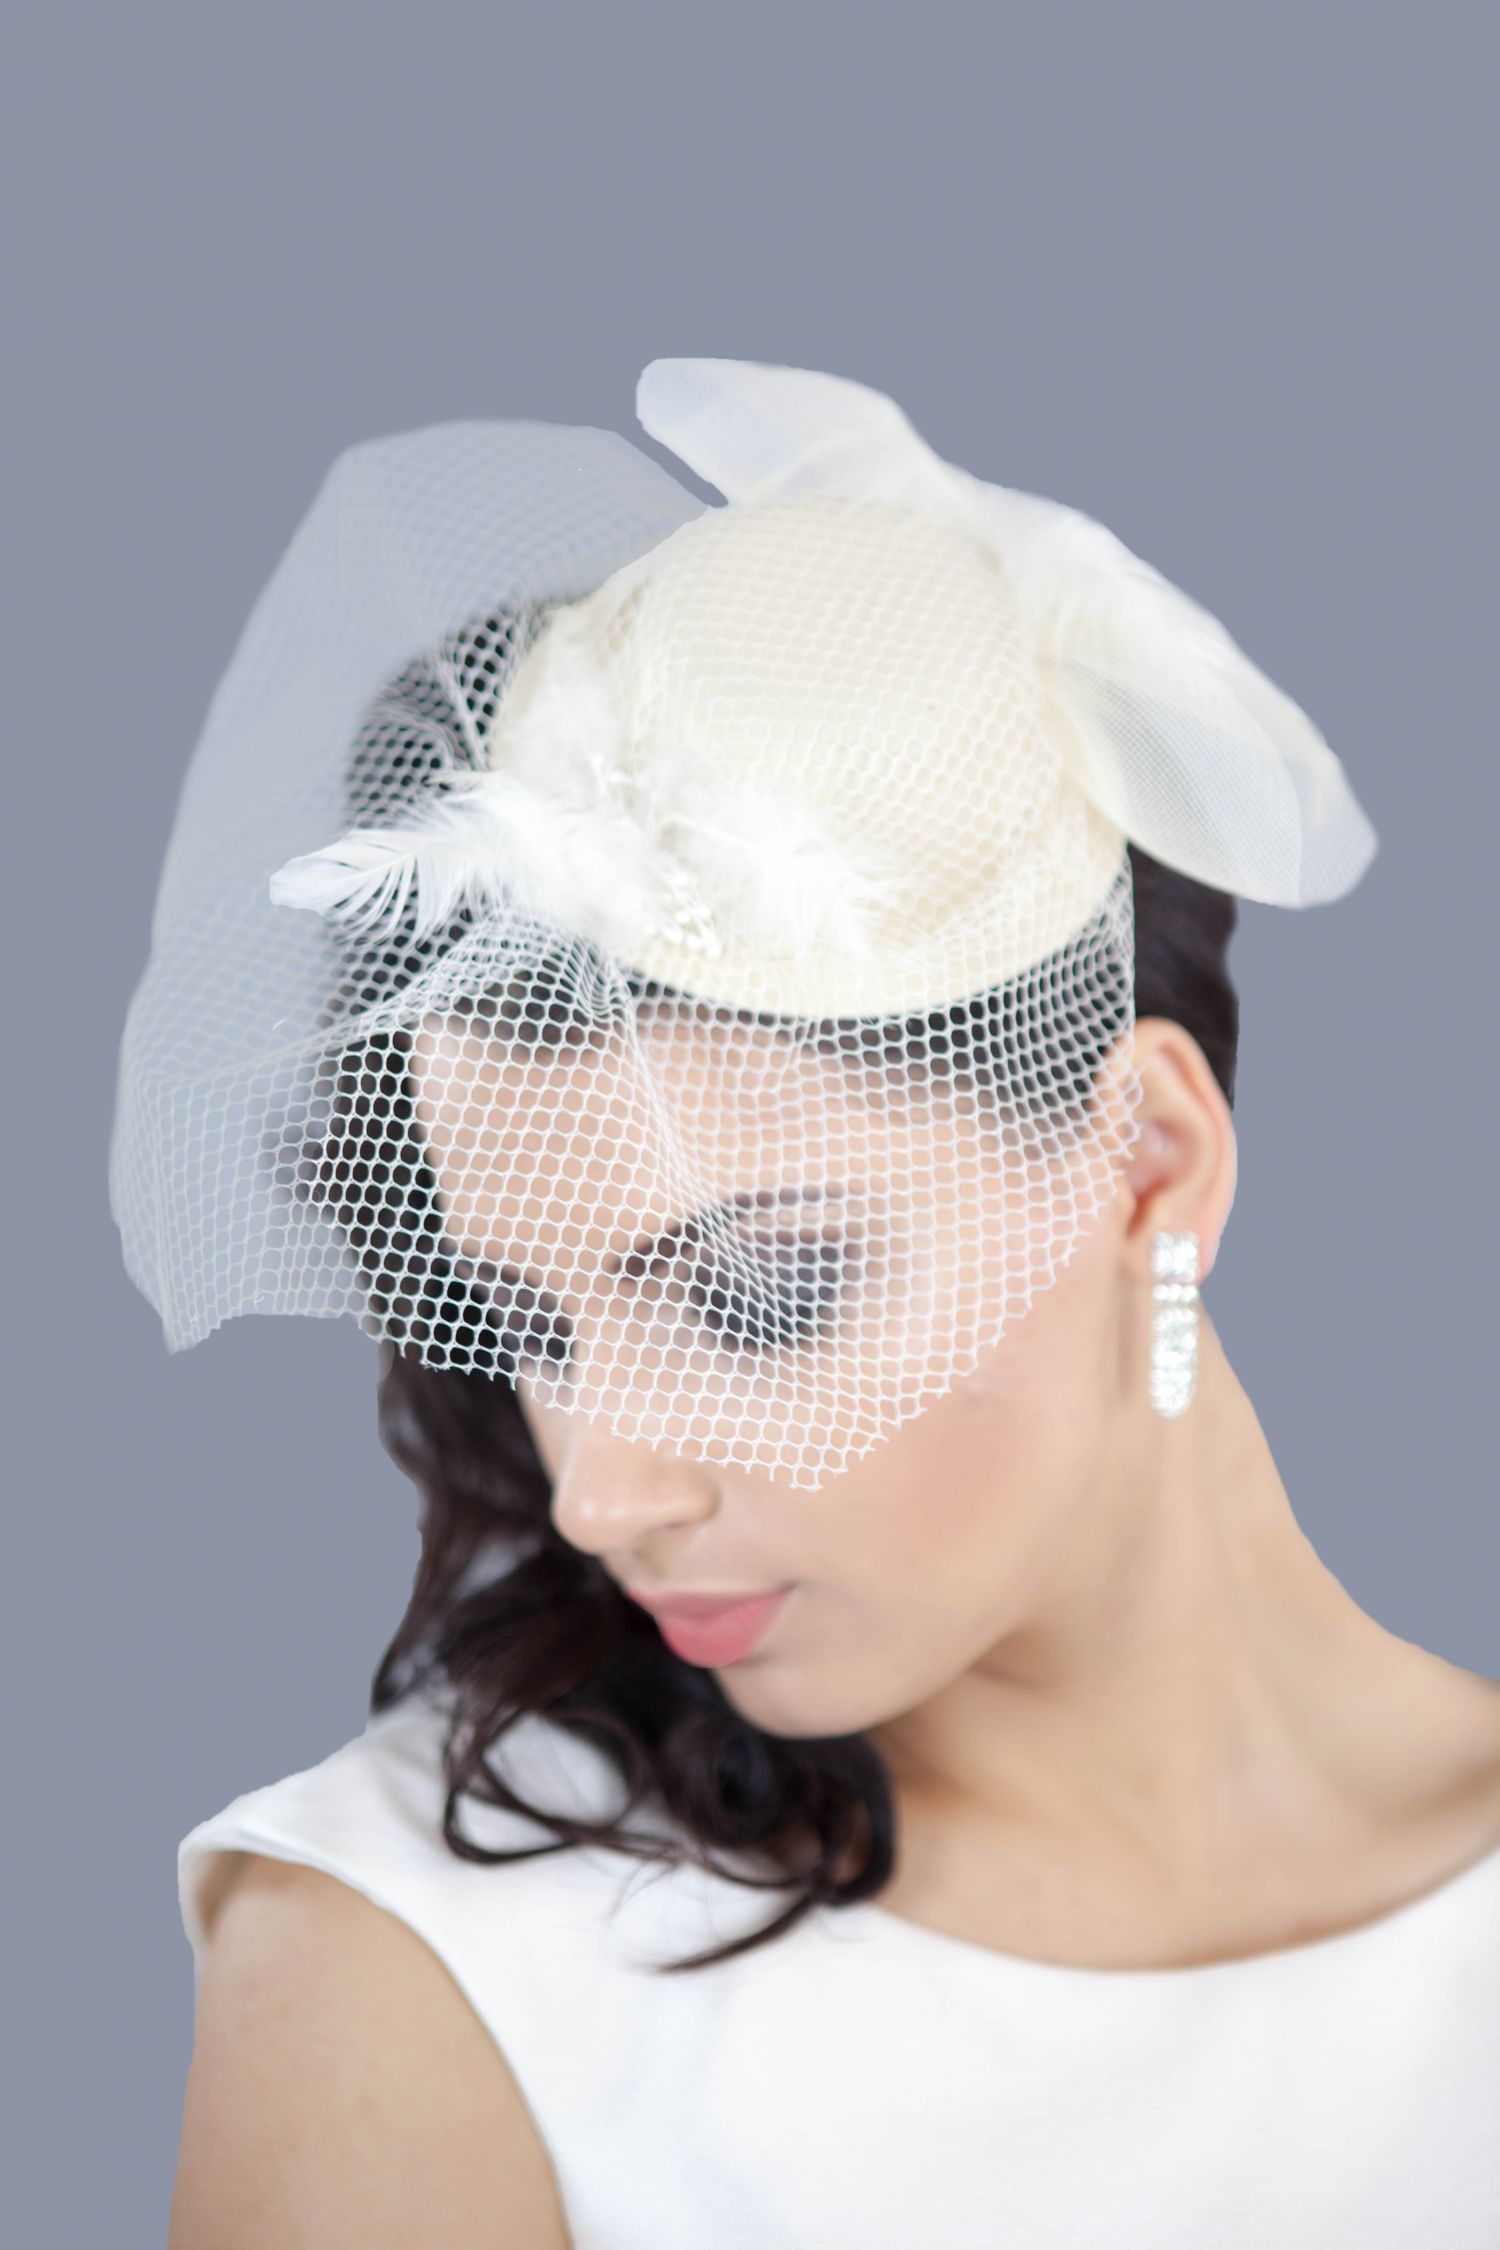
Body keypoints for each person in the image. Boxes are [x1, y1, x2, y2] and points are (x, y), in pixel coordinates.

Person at [112, 359, 1500, 2247]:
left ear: (1149, 1164)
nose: (600, 1493)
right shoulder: (423, 1963)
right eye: (532, 1318)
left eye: (753, 1292)